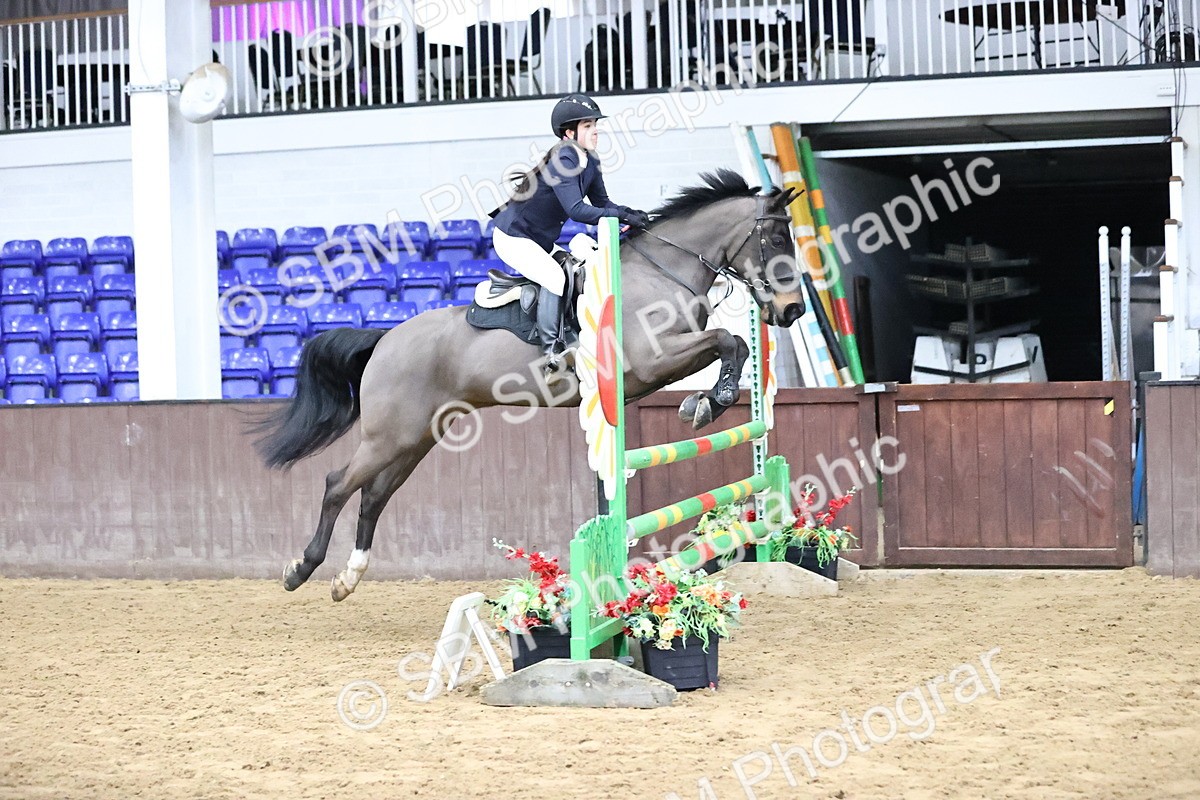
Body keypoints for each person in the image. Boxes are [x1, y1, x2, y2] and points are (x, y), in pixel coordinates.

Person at [491, 93, 651, 370]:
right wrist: (620, 215)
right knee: (554, 277)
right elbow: (577, 210)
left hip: (538, 239)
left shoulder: (590, 160)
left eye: (594, 125)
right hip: (514, 238)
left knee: (578, 273)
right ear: (569, 133)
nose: (595, 130)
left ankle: (573, 334)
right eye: (588, 126)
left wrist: (632, 213)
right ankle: (551, 352)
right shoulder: (564, 160)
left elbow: (603, 204)